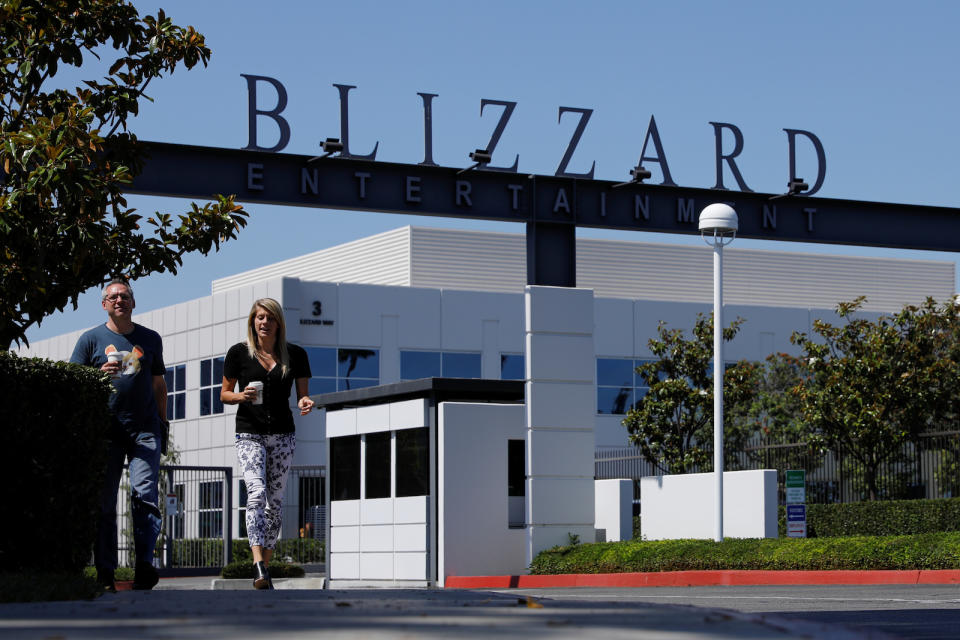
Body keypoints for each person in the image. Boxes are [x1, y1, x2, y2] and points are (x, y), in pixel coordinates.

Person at [70, 278, 167, 592]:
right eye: (113, 297)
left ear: (133, 303)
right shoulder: (90, 340)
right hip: (106, 431)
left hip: (145, 430)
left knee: (145, 496)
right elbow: (74, 383)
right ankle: (105, 573)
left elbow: (158, 385)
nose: (119, 301)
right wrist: (97, 375)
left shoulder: (150, 339)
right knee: (104, 503)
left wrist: (162, 424)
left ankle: (144, 566)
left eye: (125, 296)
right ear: (104, 304)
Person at [221, 298, 314, 589]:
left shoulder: (295, 354)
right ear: (253, 321)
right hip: (249, 432)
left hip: (283, 434)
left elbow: (302, 395)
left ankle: (266, 569)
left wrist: (305, 401)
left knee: (274, 503)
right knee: (257, 493)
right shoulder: (238, 353)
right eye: (259, 317)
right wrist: (241, 396)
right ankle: (257, 561)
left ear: (278, 323)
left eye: (270, 318)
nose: (264, 322)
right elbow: (224, 394)